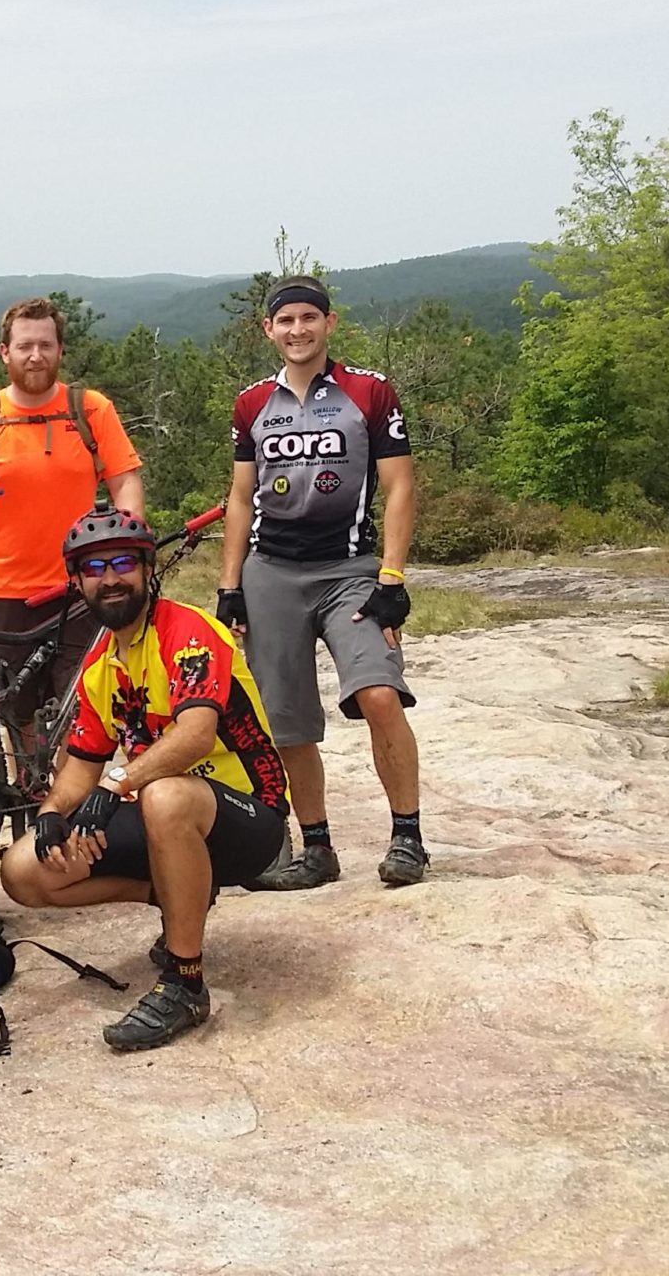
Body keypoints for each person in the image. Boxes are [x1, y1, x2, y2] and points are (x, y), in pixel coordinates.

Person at [0, 508, 291, 1050]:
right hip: (167, 819)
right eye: (94, 568)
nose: (109, 578)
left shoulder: (188, 634)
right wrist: (50, 816)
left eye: (122, 563)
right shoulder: (99, 670)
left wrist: (115, 787)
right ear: (78, 582)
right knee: (22, 871)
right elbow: (79, 769)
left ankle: (185, 984)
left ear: (147, 568)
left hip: (250, 816)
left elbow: (196, 735)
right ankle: (181, 896)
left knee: (162, 793)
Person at [215, 276, 426, 889]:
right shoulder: (252, 403)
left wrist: (392, 576)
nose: (298, 330)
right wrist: (231, 587)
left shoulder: (369, 393)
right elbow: (239, 496)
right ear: (269, 331)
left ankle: (408, 838)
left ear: (329, 324)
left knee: (379, 693)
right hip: (272, 574)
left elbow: (401, 487)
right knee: (287, 723)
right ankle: (318, 848)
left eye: (310, 317)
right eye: (286, 320)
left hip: (351, 570)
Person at [0, 296, 145, 732]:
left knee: (83, 714)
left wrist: (128, 552)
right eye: (25, 346)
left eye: (46, 346)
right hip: (3, 596)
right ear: (4, 352)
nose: (36, 356)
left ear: (60, 350)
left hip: (82, 589)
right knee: (18, 719)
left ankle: (67, 801)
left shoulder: (90, 410)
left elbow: (125, 481)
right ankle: (27, 799)